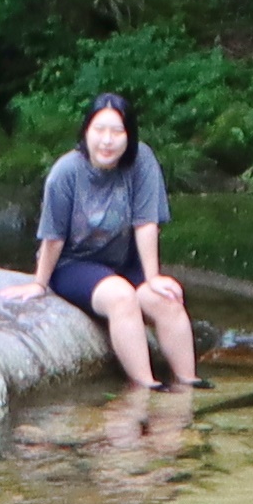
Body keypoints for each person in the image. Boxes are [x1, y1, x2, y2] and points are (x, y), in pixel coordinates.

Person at [33, 93, 198, 388]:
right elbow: (53, 237)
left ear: (129, 136)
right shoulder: (66, 173)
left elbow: (146, 222)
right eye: (99, 130)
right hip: (74, 264)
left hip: (123, 260)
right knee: (122, 297)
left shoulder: (142, 161)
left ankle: (189, 385)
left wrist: (153, 277)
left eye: (117, 132)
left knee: (166, 299)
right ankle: (148, 388)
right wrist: (38, 284)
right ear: (86, 132)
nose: (107, 141)